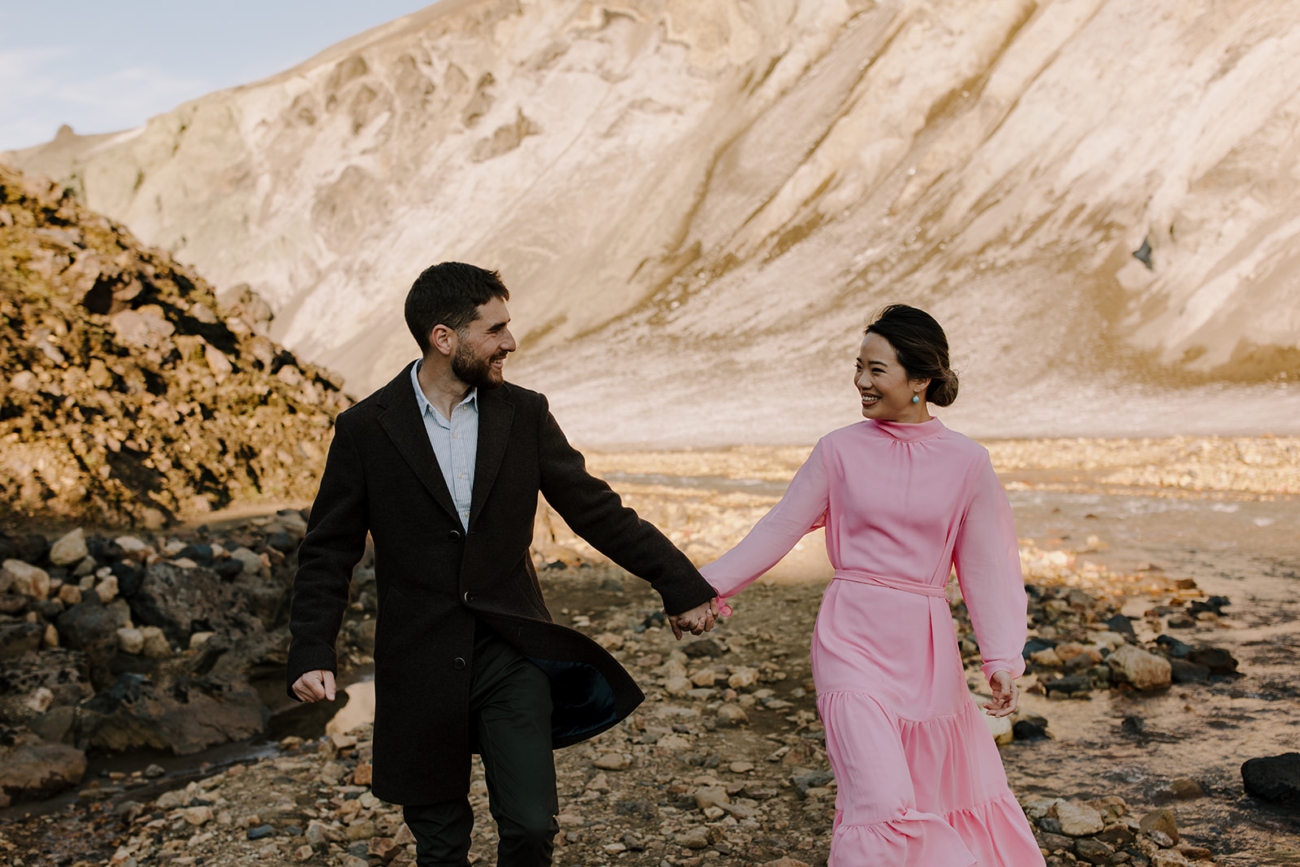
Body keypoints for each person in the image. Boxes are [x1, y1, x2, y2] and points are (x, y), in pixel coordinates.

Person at [286, 262, 718, 867]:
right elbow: (328, 548)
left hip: (512, 649)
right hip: (418, 661)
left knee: (531, 825)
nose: (510, 343)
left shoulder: (525, 414)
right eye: (495, 330)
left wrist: (680, 585)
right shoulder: (365, 429)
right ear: (445, 338)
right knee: (440, 847)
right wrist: (312, 649)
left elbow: (597, 511)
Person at [701, 304, 1045, 866]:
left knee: (934, 796)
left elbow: (989, 566)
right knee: (880, 800)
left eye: (876, 369)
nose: (861, 381)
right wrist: (704, 587)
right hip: (849, 640)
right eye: (857, 366)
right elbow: (780, 527)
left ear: (920, 380)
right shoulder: (838, 449)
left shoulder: (968, 462)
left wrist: (1001, 658)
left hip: (927, 655)